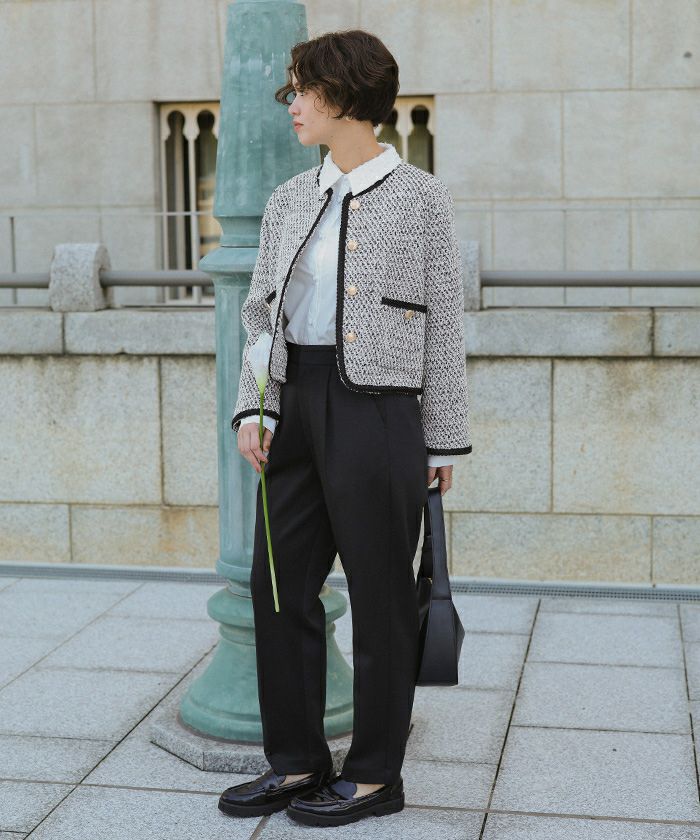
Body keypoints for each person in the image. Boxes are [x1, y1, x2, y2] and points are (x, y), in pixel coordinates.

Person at [218, 29, 471, 828]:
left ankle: (372, 776)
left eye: (302, 89)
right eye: (291, 91)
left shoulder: (420, 197)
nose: (291, 104)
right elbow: (260, 315)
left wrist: (442, 437)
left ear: (346, 94)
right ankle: (297, 762)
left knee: (381, 597)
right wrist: (254, 405)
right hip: (295, 406)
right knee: (278, 589)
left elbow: (445, 325)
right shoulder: (290, 198)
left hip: (380, 412)